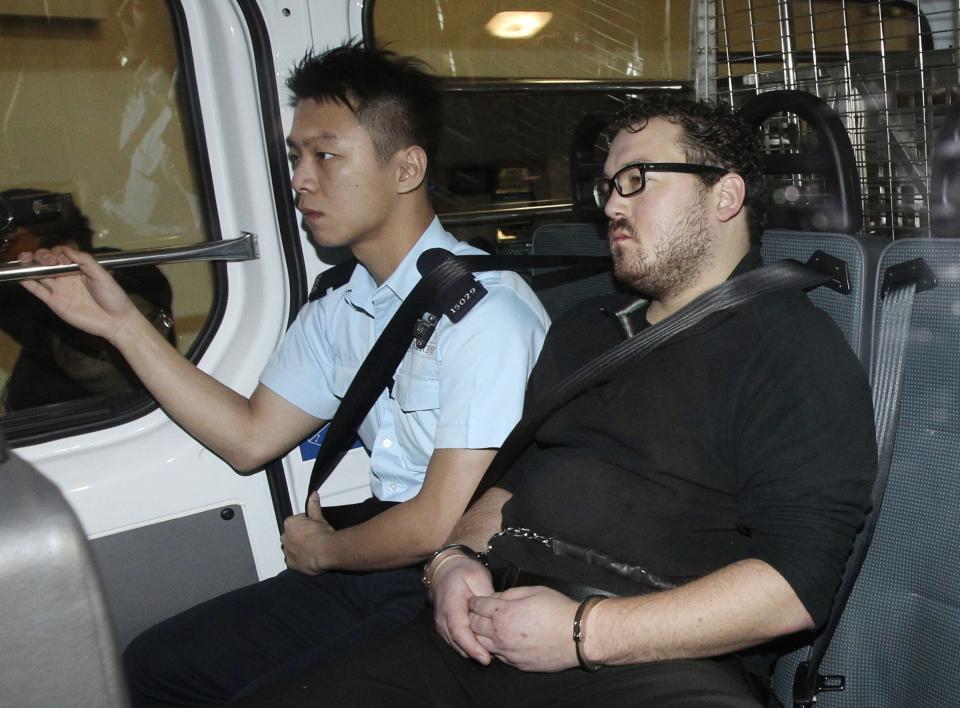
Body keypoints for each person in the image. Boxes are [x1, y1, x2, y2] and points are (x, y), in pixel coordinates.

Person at [231, 95, 878, 708]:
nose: (613, 206)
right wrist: (451, 562)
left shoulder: (793, 349)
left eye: (639, 179)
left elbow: (794, 587)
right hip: (488, 620)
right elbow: (513, 481)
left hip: (647, 654)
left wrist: (584, 632)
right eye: (607, 187)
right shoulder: (589, 327)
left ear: (726, 194)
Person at [18, 42, 549, 705]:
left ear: (406, 167)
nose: (300, 179)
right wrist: (121, 325)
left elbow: (435, 522)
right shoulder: (340, 305)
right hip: (377, 566)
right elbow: (249, 437)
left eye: (326, 155)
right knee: (152, 665)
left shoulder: (485, 313)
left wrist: (325, 551)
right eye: (295, 157)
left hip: (464, 573)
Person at [0, 188, 173, 411]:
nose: (2, 255)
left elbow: (99, 366)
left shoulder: (121, 274)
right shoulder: (22, 299)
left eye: (6, 243)